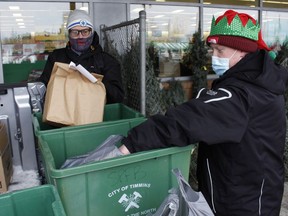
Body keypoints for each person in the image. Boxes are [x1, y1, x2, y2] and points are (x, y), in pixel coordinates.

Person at [117, 10, 288, 215]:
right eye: (212, 49)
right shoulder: (254, 82)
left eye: (220, 50)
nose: (213, 56)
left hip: (241, 203)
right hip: (243, 190)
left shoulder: (242, 96)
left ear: (242, 52)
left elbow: (186, 121)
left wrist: (130, 144)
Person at [38, 9, 124, 104]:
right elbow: (43, 87)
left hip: (97, 115)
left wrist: (94, 81)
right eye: (75, 32)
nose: (80, 37)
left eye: (85, 31)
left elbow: (117, 97)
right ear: (69, 34)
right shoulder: (56, 58)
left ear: (92, 32)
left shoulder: (106, 61)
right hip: (62, 114)